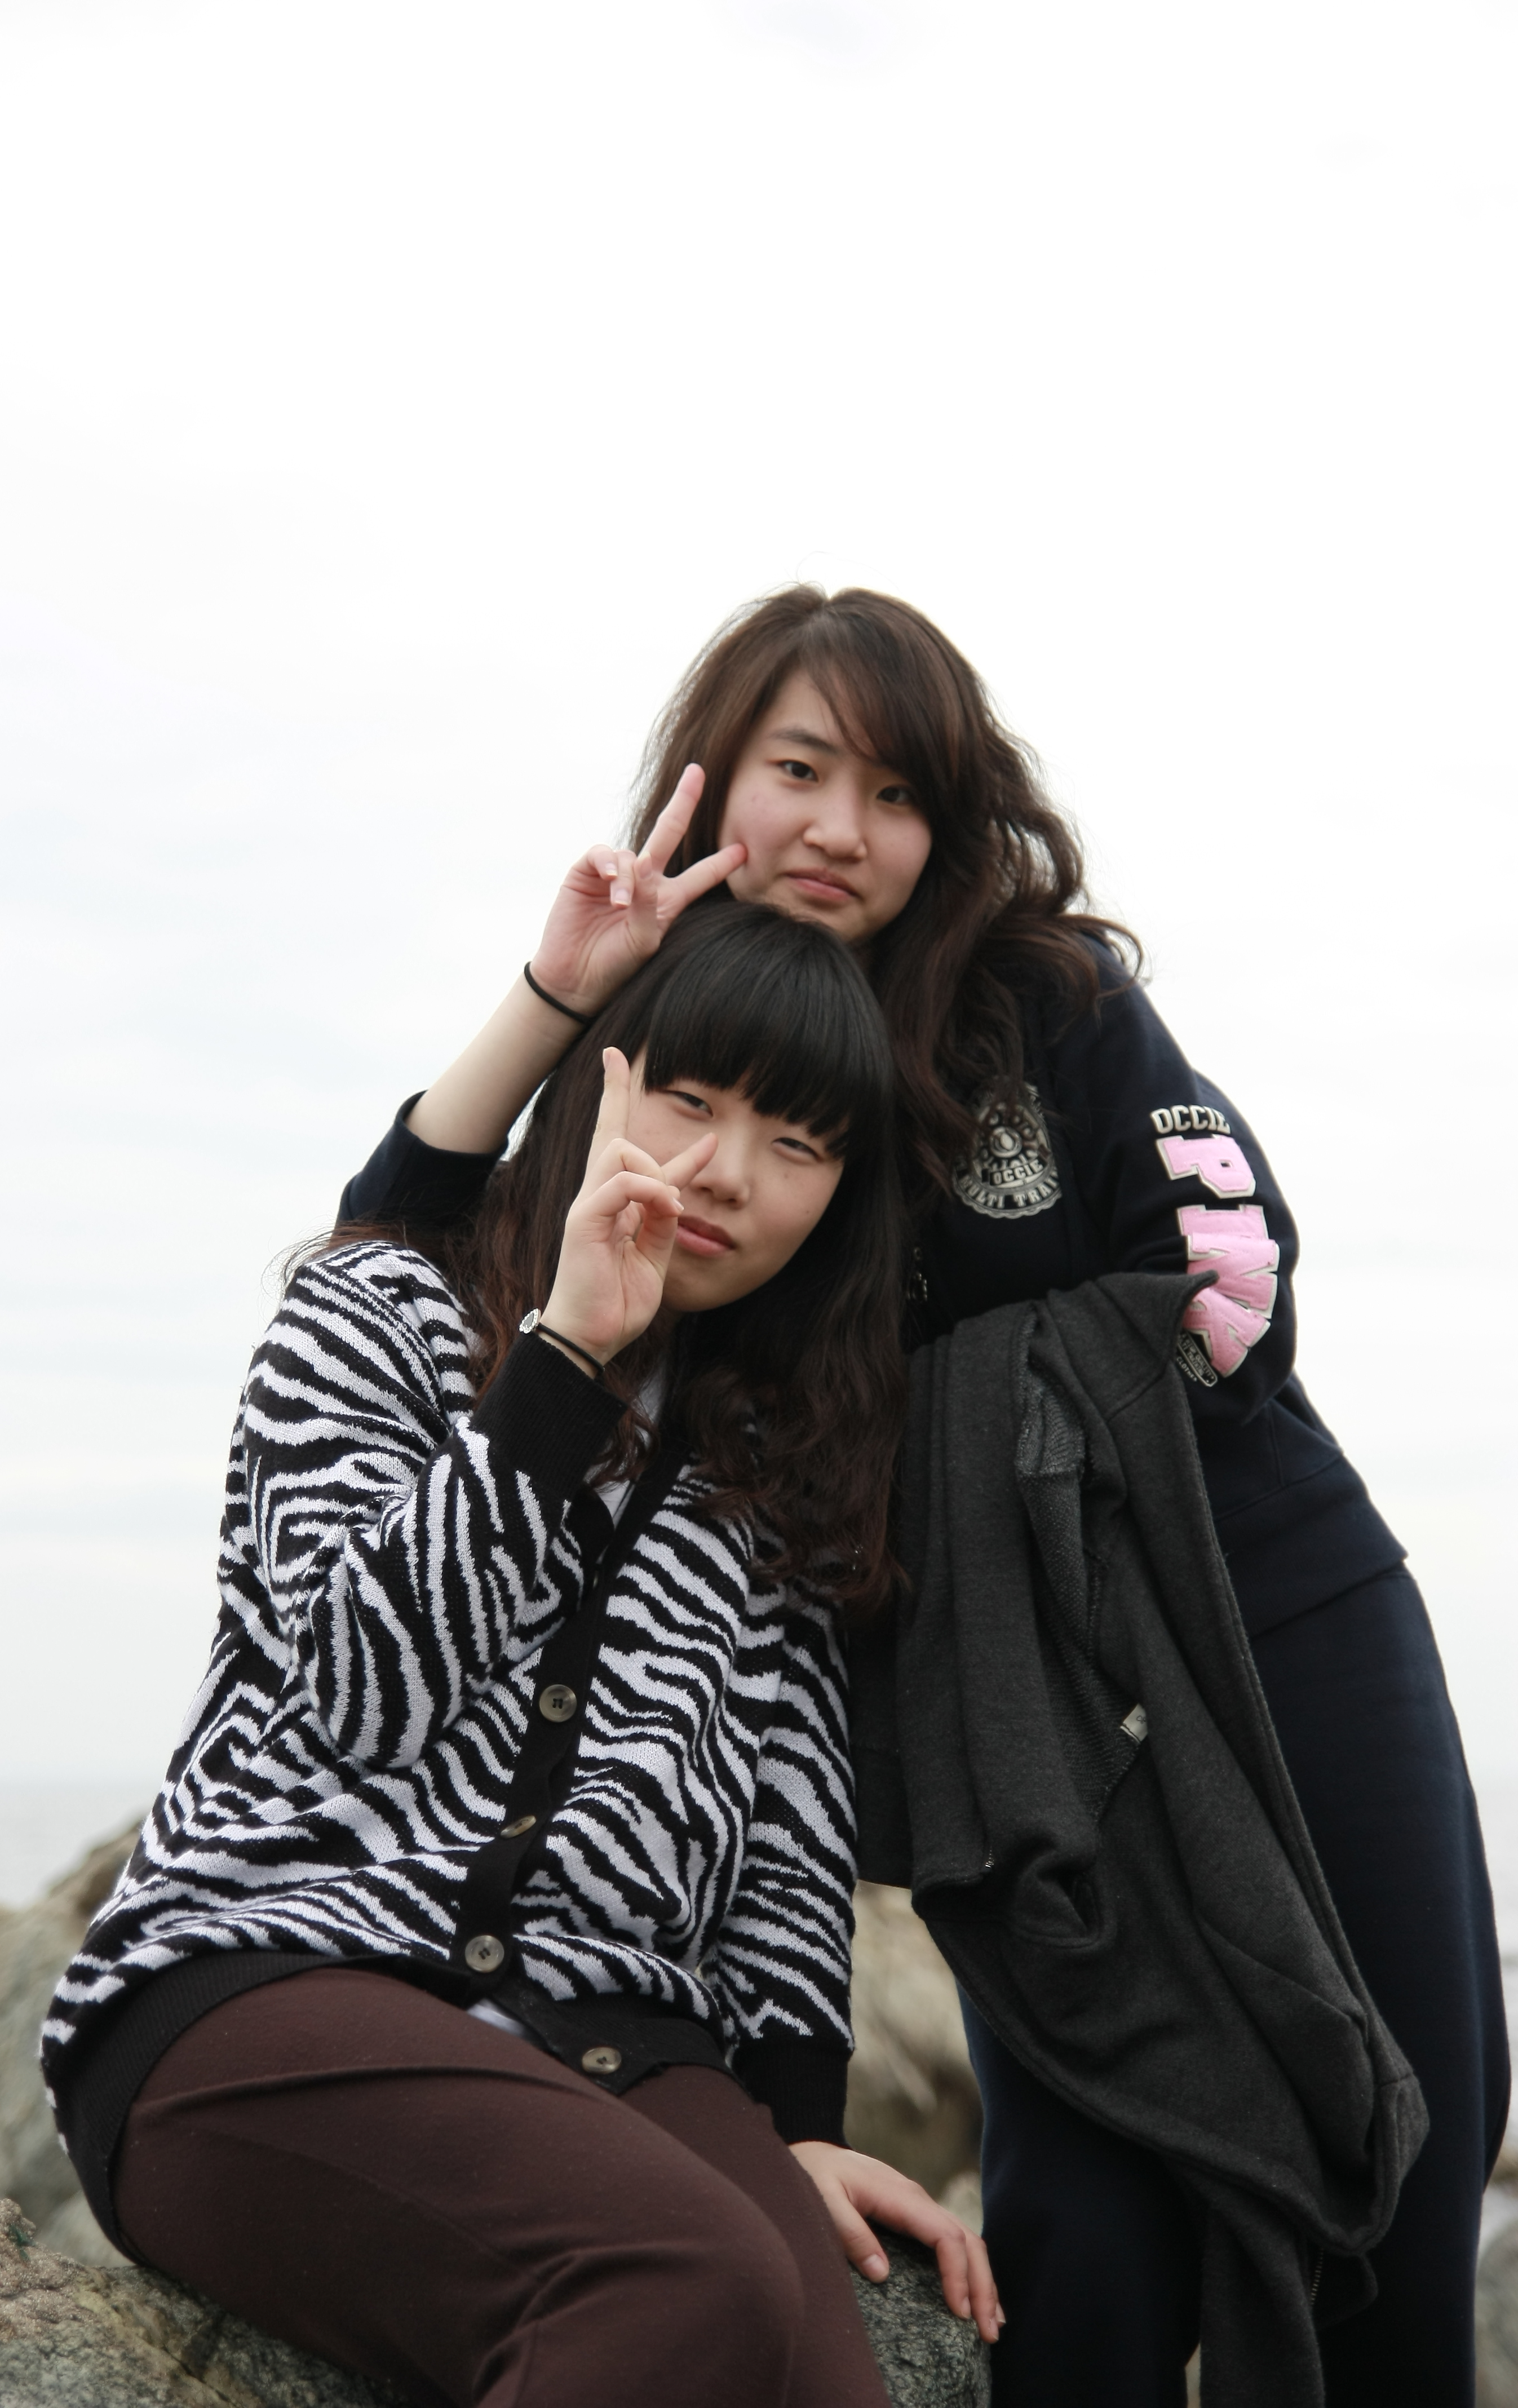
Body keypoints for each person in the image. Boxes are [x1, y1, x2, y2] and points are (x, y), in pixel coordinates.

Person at [336, 585, 1509, 2408]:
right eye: (801, 769)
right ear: (715, 774)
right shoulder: (680, 1021)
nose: (842, 829)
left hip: (1268, 1596)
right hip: (997, 1703)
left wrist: (1011, 1436)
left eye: (897, 795)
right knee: (1085, 2224)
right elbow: (406, 1239)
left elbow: (1232, 1265)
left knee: (1411, 2127)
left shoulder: (1049, 1000)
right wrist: (563, 990)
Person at [41, 901, 1002, 2408]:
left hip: (612, 2041)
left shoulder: (781, 1461)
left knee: (817, 2374)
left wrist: (797, 2128)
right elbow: (355, 1694)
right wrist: (563, 1362)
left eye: (799, 1146)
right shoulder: (376, 1311)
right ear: (593, 1080)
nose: (726, 1172)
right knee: (681, 2277)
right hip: (264, 1979)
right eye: (690, 1098)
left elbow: (786, 1830)